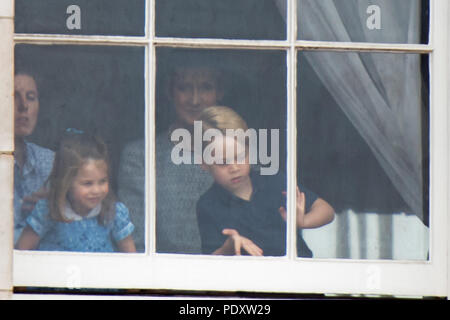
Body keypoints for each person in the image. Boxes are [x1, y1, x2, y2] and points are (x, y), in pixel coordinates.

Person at [118, 55, 224, 253]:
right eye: (184, 88)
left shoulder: (242, 157)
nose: (194, 100)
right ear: (170, 92)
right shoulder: (140, 156)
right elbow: (136, 242)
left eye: (205, 88)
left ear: (220, 92)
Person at [196, 106, 335, 257]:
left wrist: (303, 222)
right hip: (251, 278)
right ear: (204, 163)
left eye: (241, 156)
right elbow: (210, 261)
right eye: (223, 162)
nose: (234, 167)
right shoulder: (208, 205)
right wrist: (228, 247)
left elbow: (326, 210)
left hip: (296, 274)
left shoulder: (274, 181)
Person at [15, 131, 136, 253]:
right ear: (66, 183)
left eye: (102, 181)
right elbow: (22, 251)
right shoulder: (49, 211)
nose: (97, 190)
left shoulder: (113, 213)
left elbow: (132, 258)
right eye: (88, 183)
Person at [14, 71, 55, 244]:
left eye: (31, 97)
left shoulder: (51, 161)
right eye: (12, 96)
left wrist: (58, 203)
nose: (24, 106)